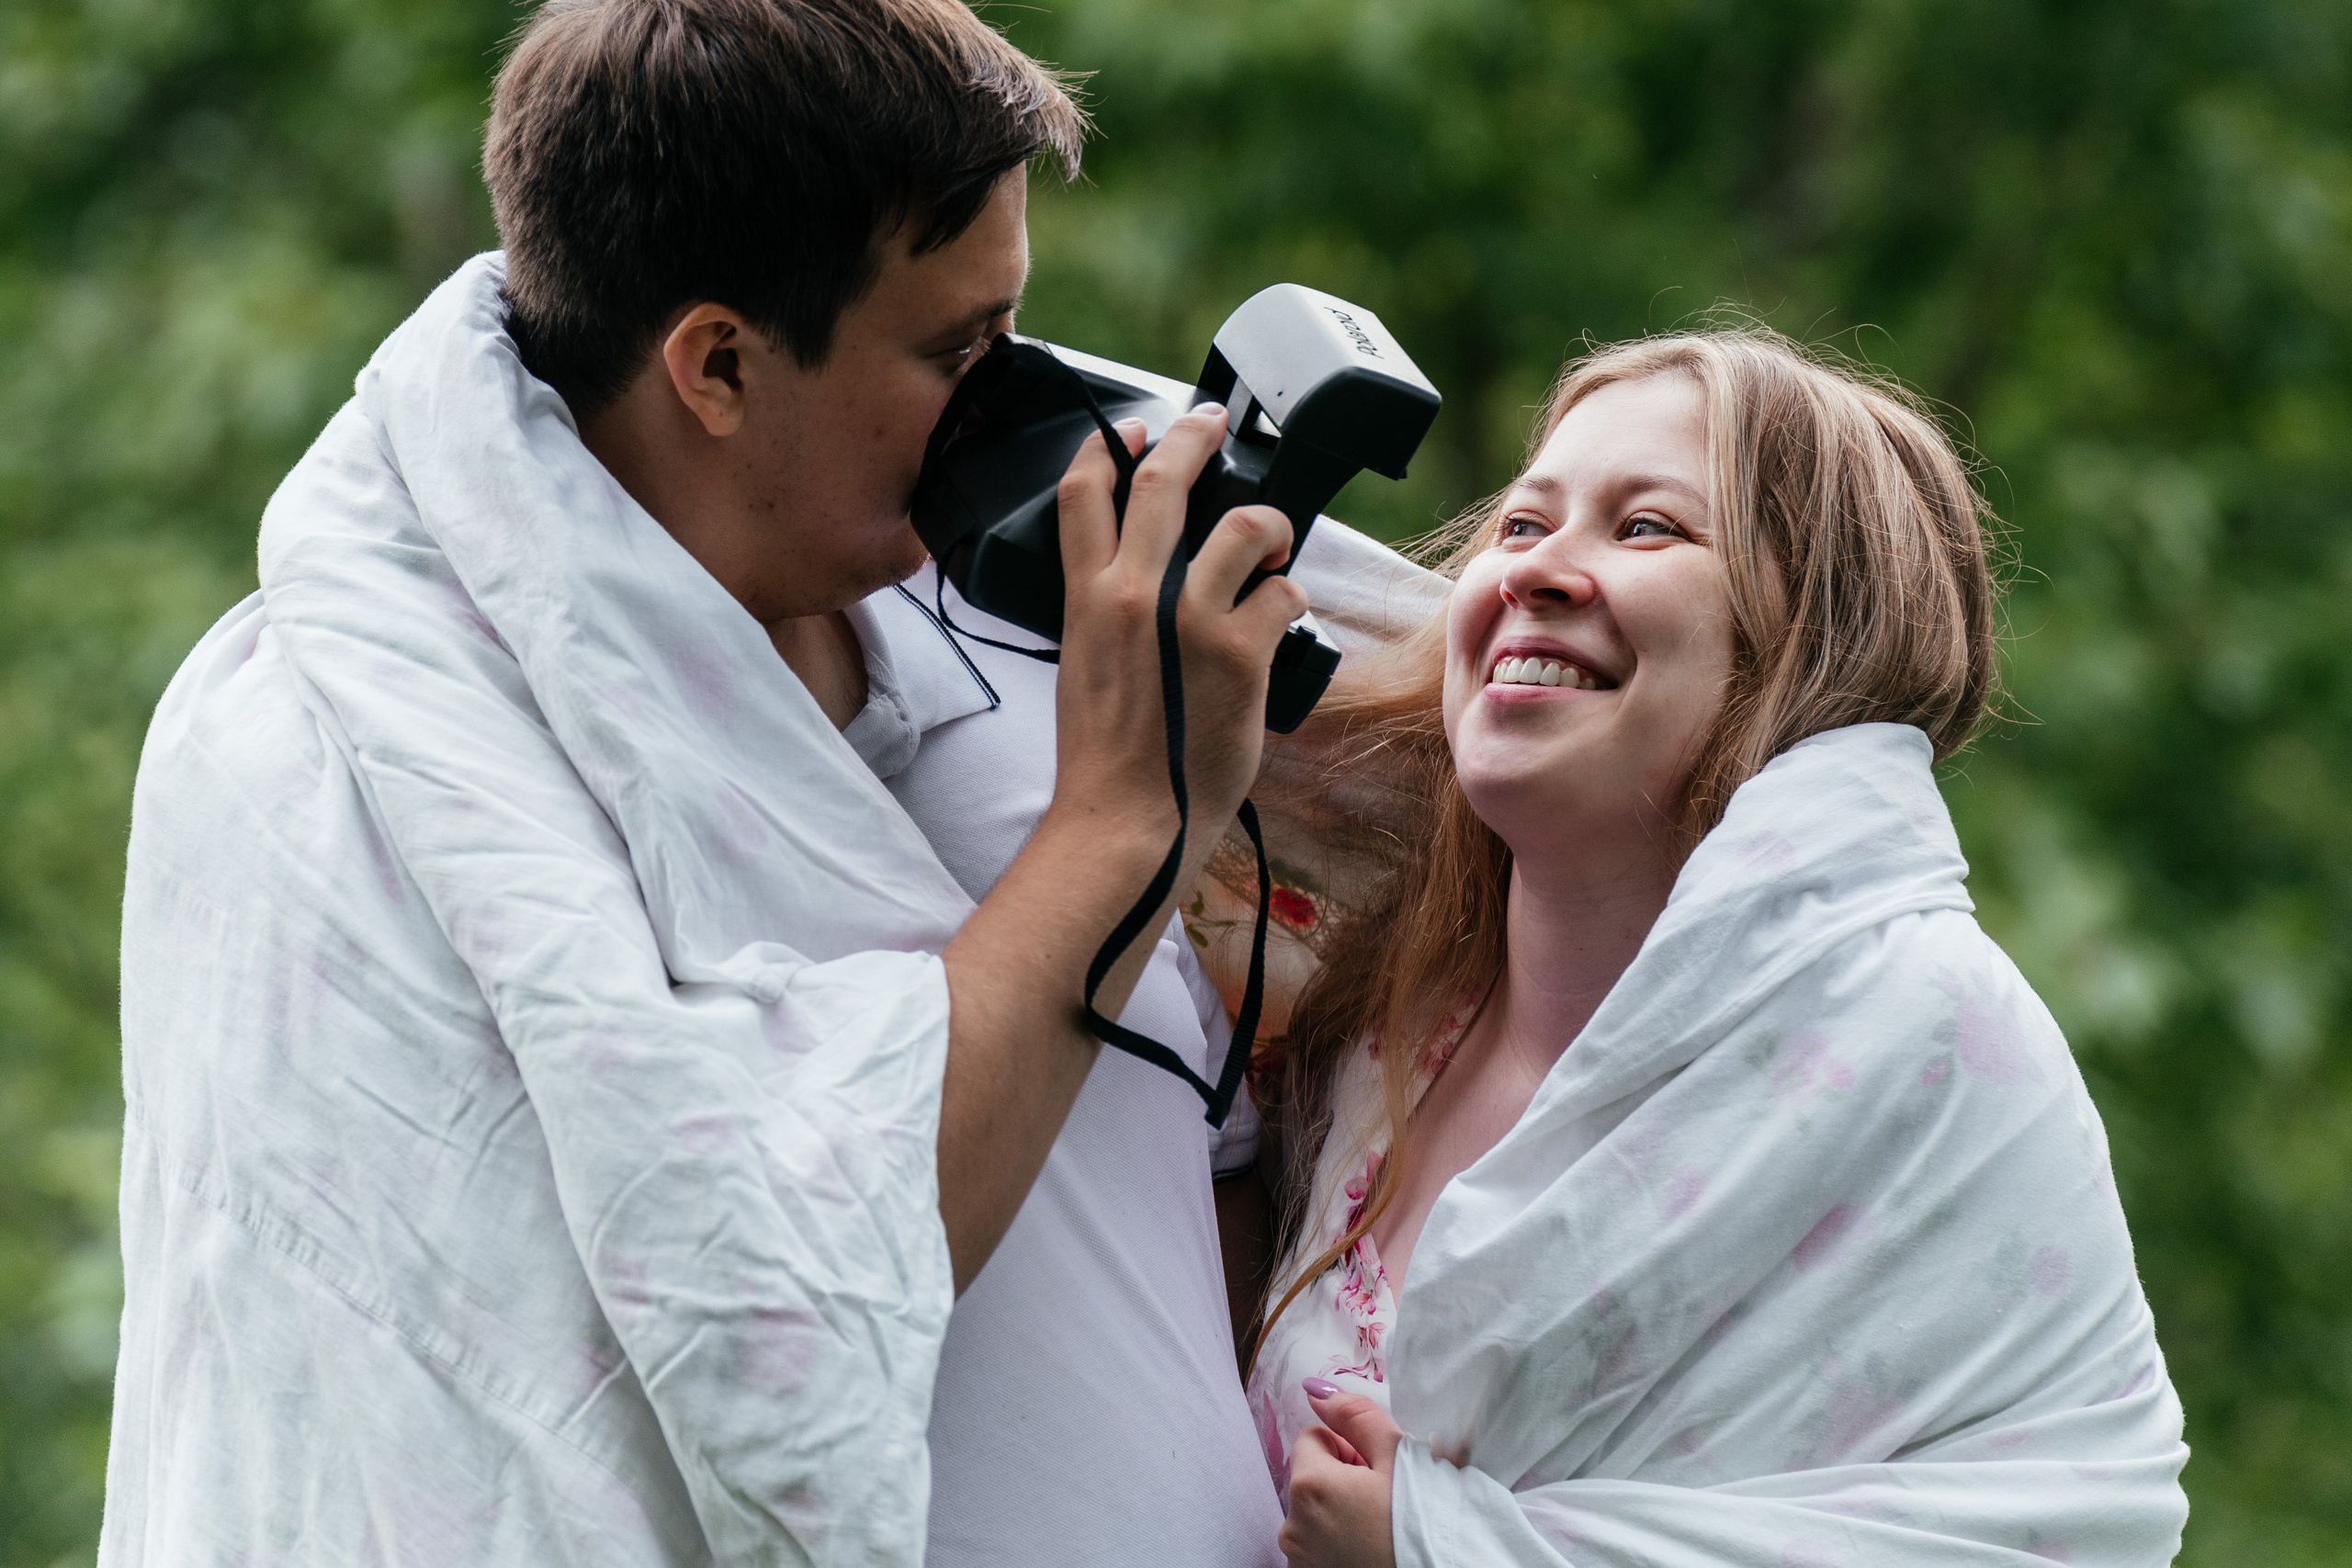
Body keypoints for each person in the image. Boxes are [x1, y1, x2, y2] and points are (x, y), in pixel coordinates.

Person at [99, 2, 1308, 1563]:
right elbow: (768, 1298)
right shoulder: (326, 765)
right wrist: (1127, 821)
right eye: (960, 351)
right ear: (720, 364)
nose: (1030, 403)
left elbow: (1221, 1174)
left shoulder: (1041, 619)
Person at [1243, 330, 2192, 1567]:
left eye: (1647, 529)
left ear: (1809, 636)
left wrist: (1445, 1551)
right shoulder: (1373, 1020)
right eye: (1523, 526)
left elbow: (2073, 1539)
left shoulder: (1932, 1038)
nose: (1537, 572)